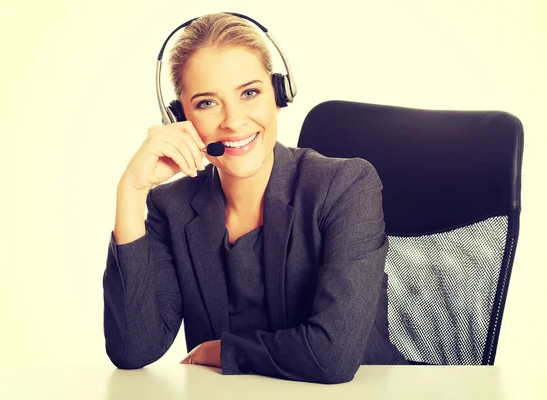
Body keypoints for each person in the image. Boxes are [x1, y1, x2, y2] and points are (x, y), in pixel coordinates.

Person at [102, 12, 407, 385]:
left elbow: (333, 357)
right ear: (178, 119)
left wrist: (222, 350)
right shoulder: (172, 208)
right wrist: (131, 192)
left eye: (249, 93)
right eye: (206, 103)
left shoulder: (345, 186)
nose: (233, 121)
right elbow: (133, 349)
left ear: (279, 95)